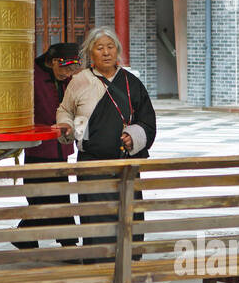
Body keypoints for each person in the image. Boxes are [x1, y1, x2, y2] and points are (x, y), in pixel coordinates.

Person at [55, 27, 156, 260]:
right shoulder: (79, 81)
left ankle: (128, 258)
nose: (106, 53)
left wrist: (135, 136)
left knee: (127, 211)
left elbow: (147, 120)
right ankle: (96, 258)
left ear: (117, 51)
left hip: (125, 162)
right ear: (90, 52)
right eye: (100, 48)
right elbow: (66, 111)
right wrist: (69, 129)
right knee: (94, 213)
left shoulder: (131, 83)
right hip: (92, 163)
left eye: (110, 47)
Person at [15, 42, 82, 250]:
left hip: (60, 146)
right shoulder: (31, 77)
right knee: (41, 195)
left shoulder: (66, 79)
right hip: (38, 146)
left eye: (72, 69)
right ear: (54, 62)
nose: (69, 74)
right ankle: (65, 240)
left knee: (58, 193)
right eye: (66, 68)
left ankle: (27, 236)